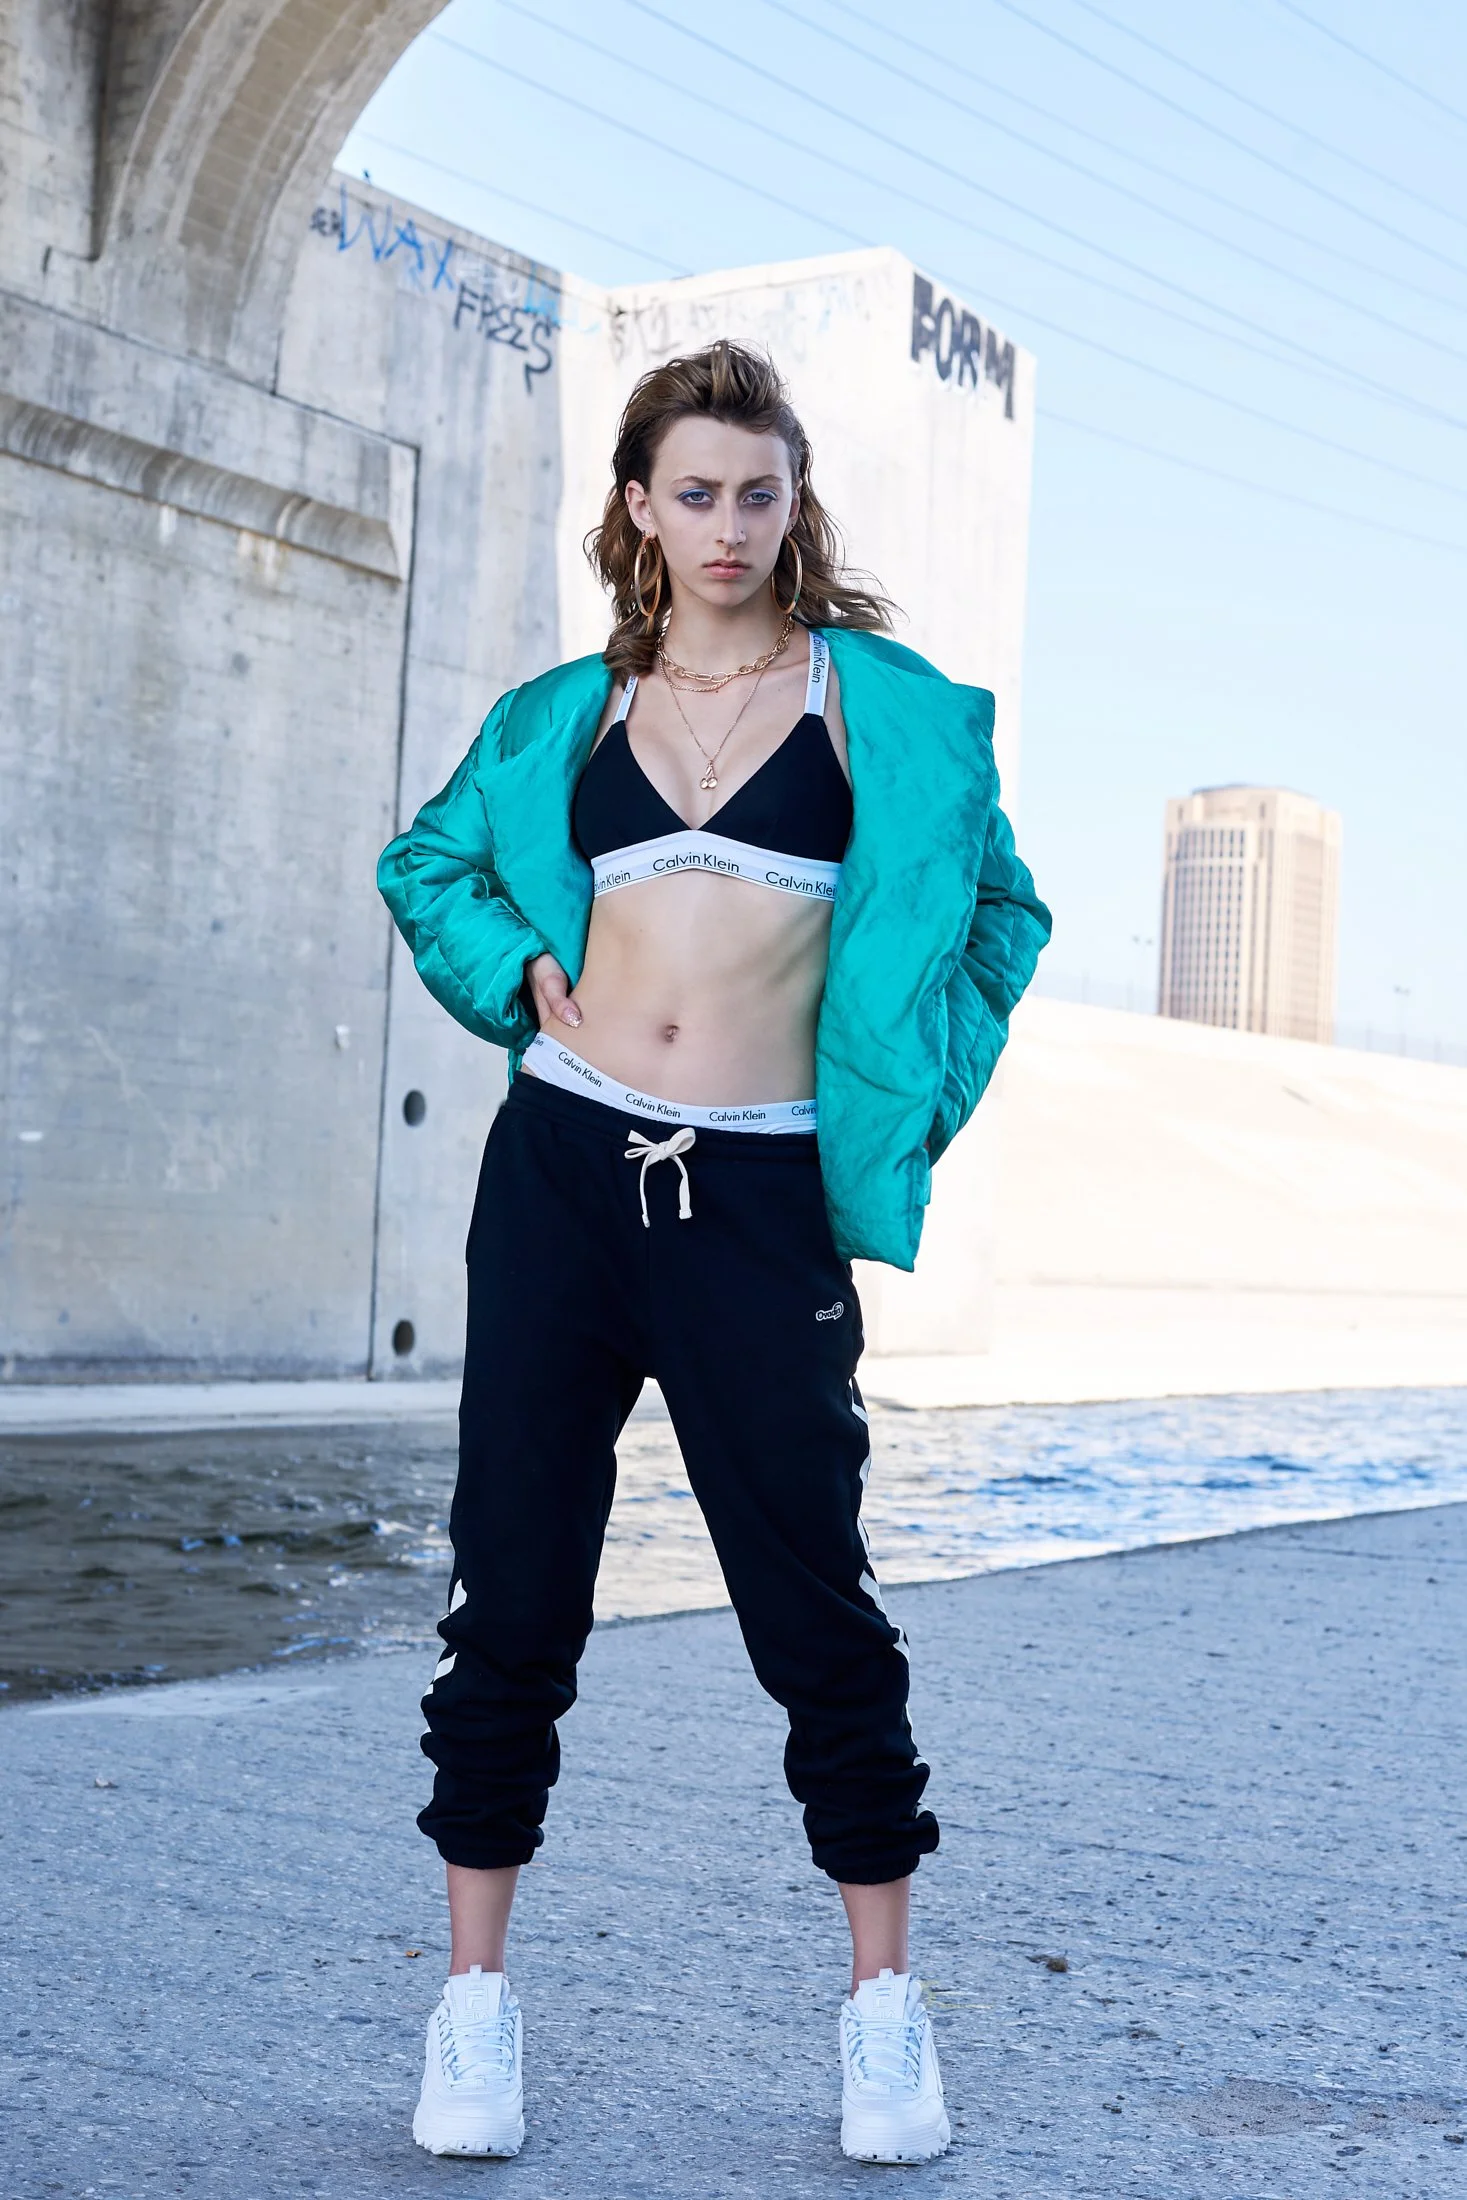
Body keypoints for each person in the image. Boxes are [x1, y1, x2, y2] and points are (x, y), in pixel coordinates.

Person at [378, 338, 1050, 2166]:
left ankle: (884, 2018)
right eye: (696, 492)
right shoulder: (559, 719)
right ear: (637, 507)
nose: (731, 526)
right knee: (509, 1591)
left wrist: (889, 1101)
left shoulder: (882, 711)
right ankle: (474, 2014)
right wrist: (521, 974)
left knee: (812, 1602)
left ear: (792, 501)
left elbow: (998, 915)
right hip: (561, 1178)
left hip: (753, 1203)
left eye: (760, 492)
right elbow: (426, 867)